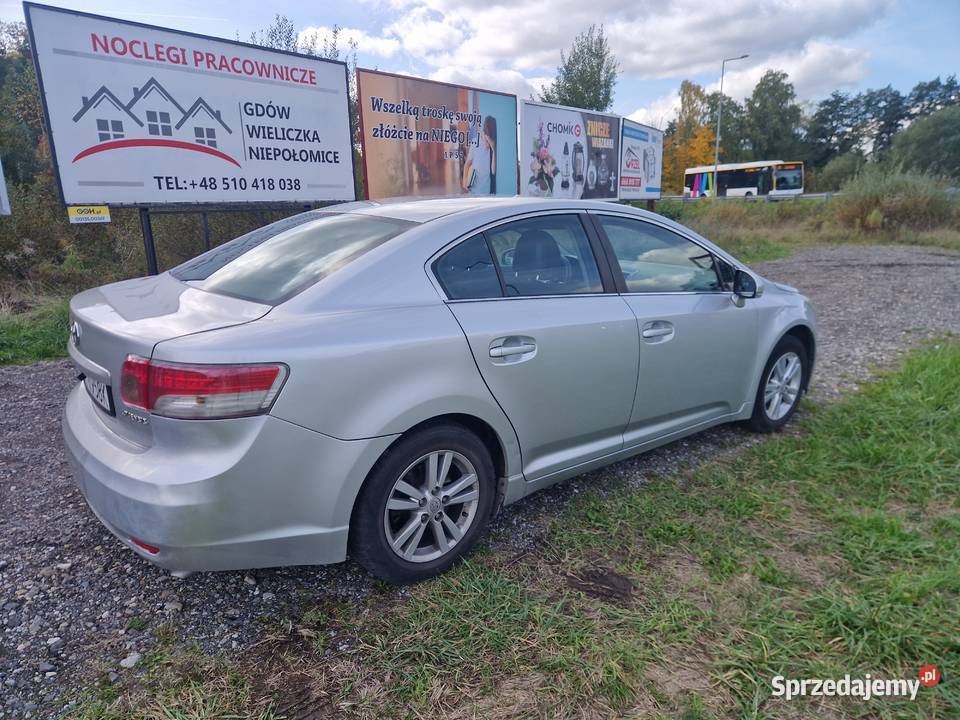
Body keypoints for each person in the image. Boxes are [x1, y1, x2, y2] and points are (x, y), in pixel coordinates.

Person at [462, 116, 497, 195]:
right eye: (487, 140)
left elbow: (493, 171)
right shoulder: (475, 142)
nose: (488, 145)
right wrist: (464, 179)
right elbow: (467, 164)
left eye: (490, 141)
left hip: (486, 192)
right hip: (473, 190)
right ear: (484, 133)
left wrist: (493, 149)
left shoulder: (492, 147)